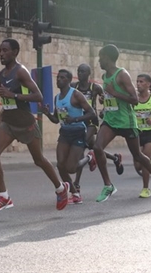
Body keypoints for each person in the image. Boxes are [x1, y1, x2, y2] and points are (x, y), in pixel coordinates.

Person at [0, 38, 69, 212]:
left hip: (26, 124)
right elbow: (7, 98)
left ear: (15, 52)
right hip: (8, 123)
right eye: (0, 50)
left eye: (5, 50)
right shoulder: (1, 75)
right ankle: (4, 197)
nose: (1, 54)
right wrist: (3, 110)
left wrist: (13, 96)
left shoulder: (21, 72)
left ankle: (61, 189)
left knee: (38, 160)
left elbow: (38, 96)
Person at [92, 44, 151, 202]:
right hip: (111, 120)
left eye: (101, 57)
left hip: (127, 122)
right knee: (97, 147)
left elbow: (134, 99)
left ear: (108, 58)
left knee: (138, 156)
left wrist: (114, 93)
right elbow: (110, 96)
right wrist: (105, 99)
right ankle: (108, 185)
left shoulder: (122, 74)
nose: (99, 61)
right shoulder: (105, 77)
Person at [42, 69, 96, 204]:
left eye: (62, 78)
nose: (58, 79)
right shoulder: (57, 98)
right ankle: (74, 193)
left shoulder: (76, 95)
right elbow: (56, 119)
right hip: (65, 133)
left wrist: (76, 119)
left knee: (71, 168)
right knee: (61, 165)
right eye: (58, 77)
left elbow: (92, 113)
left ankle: (89, 157)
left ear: (69, 80)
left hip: (78, 132)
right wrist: (47, 113)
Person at [71, 63, 124, 198]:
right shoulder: (73, 87)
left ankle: (76, 184)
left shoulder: (95, 87)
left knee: (82, 145)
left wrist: (104, 110)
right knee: (95, 147)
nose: (80, 73)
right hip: (78, 119)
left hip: (90, 121)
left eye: (83, 71)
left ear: (89, 74)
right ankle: (115, 158)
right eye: (79, 71)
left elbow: (106, 100)